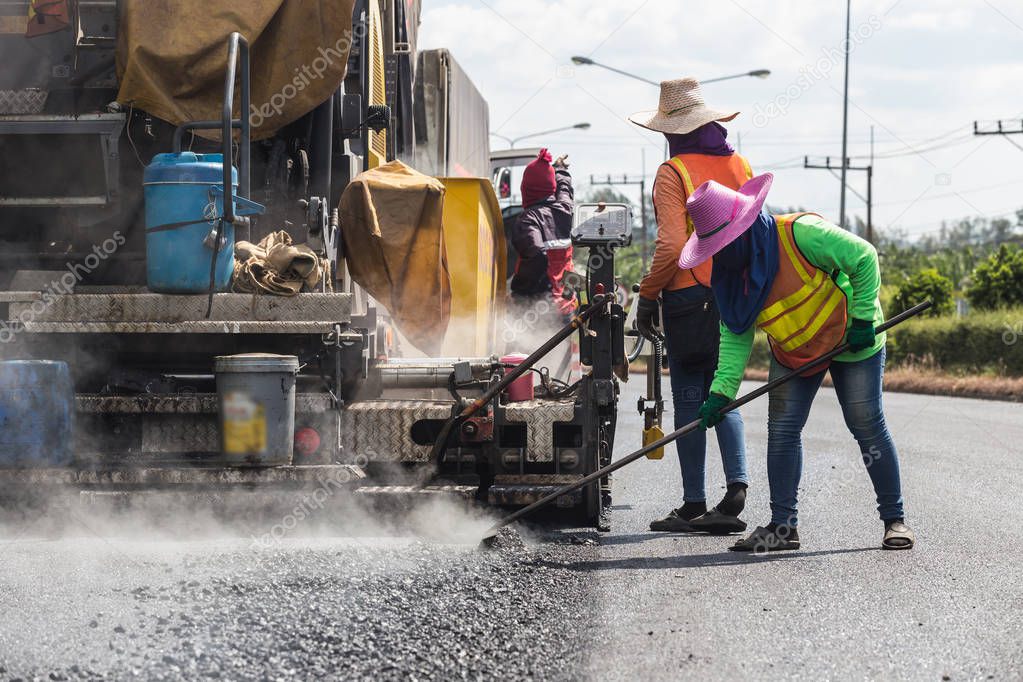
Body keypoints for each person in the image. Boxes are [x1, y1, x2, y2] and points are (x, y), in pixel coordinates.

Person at [677, 173, 915, 552]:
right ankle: (783, 528)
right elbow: (735, 335)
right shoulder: (731, 277)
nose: (720, 253)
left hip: (851, 338)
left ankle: (894, 520)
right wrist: (720, 394)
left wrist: (863, 319)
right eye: (714, 247)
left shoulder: (799, 235)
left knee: (866, 424)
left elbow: (864, 257)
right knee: (783, 431)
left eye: (724, 243)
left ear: (744, 227)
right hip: (794, 352)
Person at [629, 77, 752, 534]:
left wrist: (646, 294)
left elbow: (672, 245)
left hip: (690, 297)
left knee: (688, 398)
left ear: (671, 132)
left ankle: (694, 504)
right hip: (737, 295)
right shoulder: (740, 166)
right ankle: (737, 486)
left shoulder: (672, 172)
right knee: (726, 392)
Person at [507, 150, 576, 375]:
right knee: (562, 368)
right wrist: (561, 170)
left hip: (536, 310)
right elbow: (564, 190)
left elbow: (536, 254)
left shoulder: (528, 220)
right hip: (565, 307)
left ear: (526, 190)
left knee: (517, 365)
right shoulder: (564, 211)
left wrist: (519, 290)